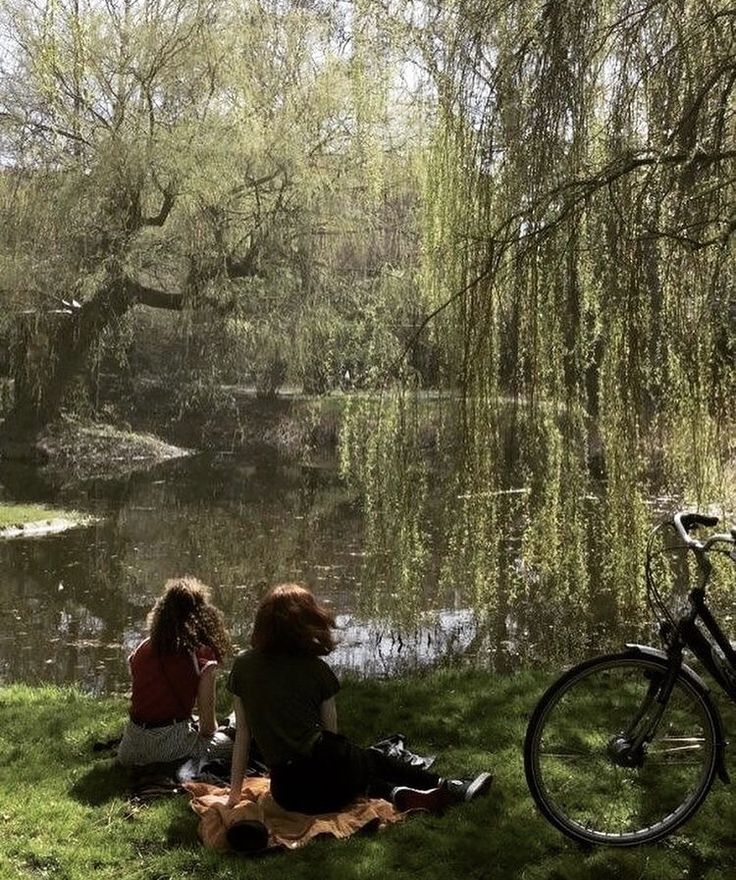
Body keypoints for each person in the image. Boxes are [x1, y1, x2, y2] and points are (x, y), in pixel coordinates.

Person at [227, 583, 492, 813]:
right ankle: (448, 786)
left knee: (356, 770)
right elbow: (332, 736)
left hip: (290, 794)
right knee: (369, 759)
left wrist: (234, 797)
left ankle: (396, 794)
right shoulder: (317, 671)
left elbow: (242, 737)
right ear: (307, 623)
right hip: (332, 780)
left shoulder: (243, 667)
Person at [117, 576, 233, 768]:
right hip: (170, 746)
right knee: (231, 742)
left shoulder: (141, 649)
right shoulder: (202, 656)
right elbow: (206, 728)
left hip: (130, 747)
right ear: (201, 616)